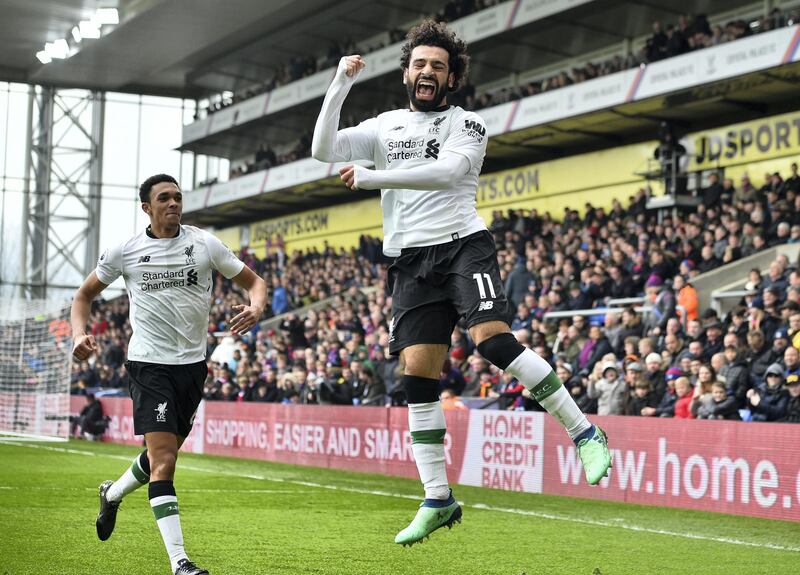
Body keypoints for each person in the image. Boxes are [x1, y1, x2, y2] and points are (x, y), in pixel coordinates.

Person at [312, 20, 611, 547]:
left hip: (461, 245)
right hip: (409, 261)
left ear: (452, 79)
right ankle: (437, 498)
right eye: (420, 64)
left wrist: (373, 177)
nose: (428, 72)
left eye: (439, 67)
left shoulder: (467, 124)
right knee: (417, 380)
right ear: (407, 72)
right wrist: (340, 84)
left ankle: (584, 430)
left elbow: (447, 174)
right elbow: (322, 149)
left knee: (492, 342)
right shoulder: (383, 125)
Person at [71, 174, 267, 575]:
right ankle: (180, 561)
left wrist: (257, 307)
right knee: (165, 462)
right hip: (149, 365)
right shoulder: (125, 250)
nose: (174, 203)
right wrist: (79, 332)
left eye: (178, 197)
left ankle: (112, 493)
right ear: (147, 207)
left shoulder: (203, 243)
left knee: (163, 456)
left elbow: (255, 282)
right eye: (164, 198)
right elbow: (83, 295)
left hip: (193, 369)